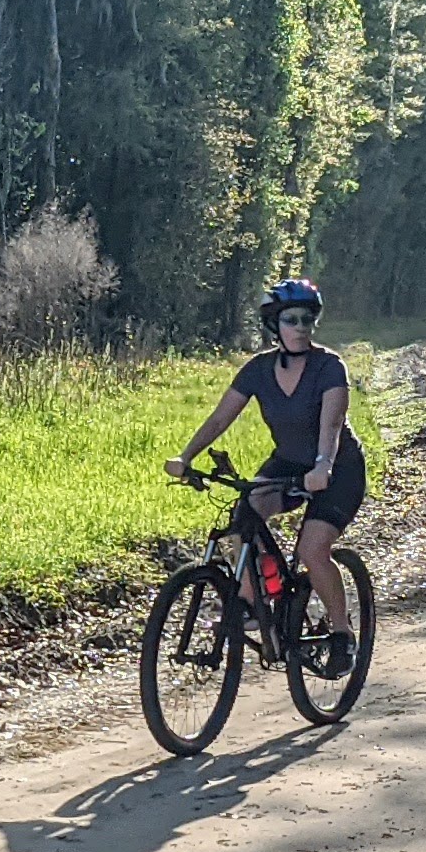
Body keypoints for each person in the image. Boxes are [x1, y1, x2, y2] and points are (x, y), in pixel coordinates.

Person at [170, 276, 366, 671]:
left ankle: (343, 634)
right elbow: (220, 418)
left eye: (307, 320)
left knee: (312, 549)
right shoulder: (258, 370)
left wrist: (323, 466)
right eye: (291, 320)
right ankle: (262, 599)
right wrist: (186, 456)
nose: (300, 328)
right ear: (274, 325)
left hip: (337, 469)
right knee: (244, 515)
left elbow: (331, 425)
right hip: (288, 463)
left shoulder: (329, 367)